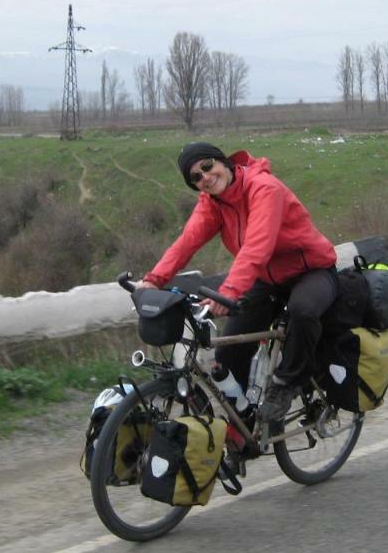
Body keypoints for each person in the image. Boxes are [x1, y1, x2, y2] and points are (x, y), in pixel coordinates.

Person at [135, 143, 339, 424]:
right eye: (195, 178)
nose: (205, 177)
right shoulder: (213, 203)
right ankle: (242, 425)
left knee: (302, 311)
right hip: (265, 280)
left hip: (310, 271)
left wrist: (228, 292)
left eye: (207, 167)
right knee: (229, 352)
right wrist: (152, 280)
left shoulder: (263, 187)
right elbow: (186, 242)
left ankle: (287, 383)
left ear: (223, 162)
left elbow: (257, 247)